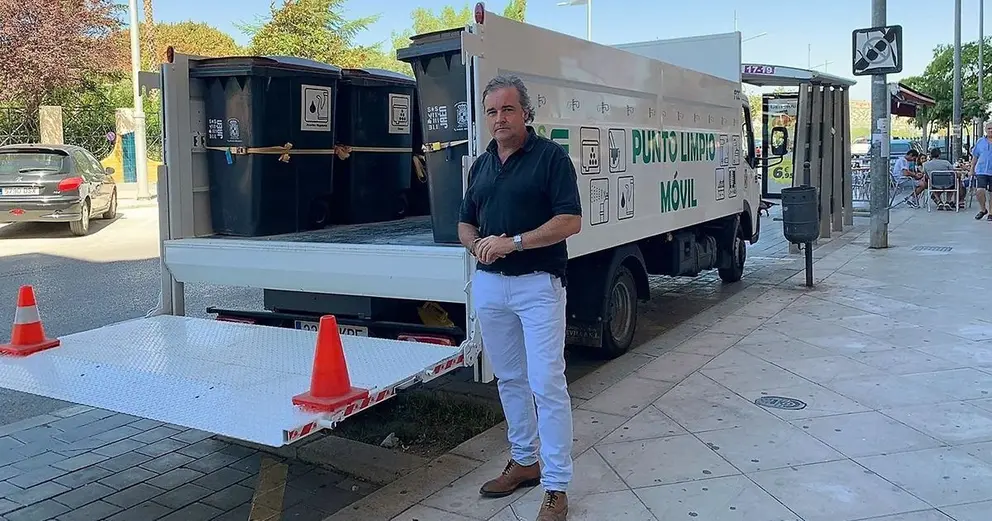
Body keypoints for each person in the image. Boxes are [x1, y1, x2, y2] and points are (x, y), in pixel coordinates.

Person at [458, 74, 582, 521]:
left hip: (538, 284)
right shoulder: (481, 165)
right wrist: (476, 244)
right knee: (509, 378)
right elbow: (465, 223)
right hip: (491, 285)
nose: (499, 119)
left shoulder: (551, 158)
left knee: (546, 382)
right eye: (492, 111)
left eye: (508, 109)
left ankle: (556, 486)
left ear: (525, 113)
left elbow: (570, 220)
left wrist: (513, 243)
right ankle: (525, 460)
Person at [973, 121, 992, 220]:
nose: (991, 130)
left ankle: (991, 213)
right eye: (989, 128)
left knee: (991, 193)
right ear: (985, 130)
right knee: (979, 191)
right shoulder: (980, 142)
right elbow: (975, 156)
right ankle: (983, 209)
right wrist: (971, 169)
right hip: (981, 170)